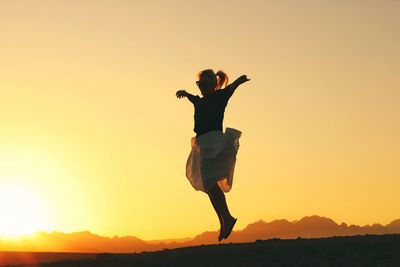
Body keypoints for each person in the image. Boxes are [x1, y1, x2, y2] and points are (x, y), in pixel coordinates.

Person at [176, 69, 250, 241]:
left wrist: (238, 81)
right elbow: (194, 98)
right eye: (199, 85)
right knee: (209, 186)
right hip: (202, 145)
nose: (201, 88)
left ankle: (227, 219)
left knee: (210, 183)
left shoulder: (220, 97)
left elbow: (231, 88)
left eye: (204, 85)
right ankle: (224, 220)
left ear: (212, 85)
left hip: (214, 143)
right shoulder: (199, 101)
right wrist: (186, 94)